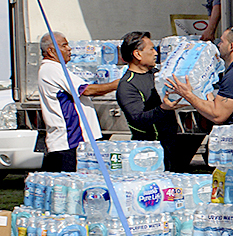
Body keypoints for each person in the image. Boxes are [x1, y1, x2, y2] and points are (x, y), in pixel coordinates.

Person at [116, 31, 201, 172]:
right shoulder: (127, 85)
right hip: (149, 152)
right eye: (151, 49)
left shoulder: (157, 75)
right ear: (137, 54)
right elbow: (137, 119)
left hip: (171, 146)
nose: (156, 53)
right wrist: (163, 108)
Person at [38, 31, 119, 172]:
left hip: (76, 142)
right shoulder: (51, 68)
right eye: (64, 45)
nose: (69, 49)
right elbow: (86, 90)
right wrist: (118, 84)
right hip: (68, 142)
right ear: (51, 51)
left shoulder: (58, 68)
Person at [166, 24, 233, 124]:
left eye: (222, 42)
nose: (218, 45)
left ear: (231, 46)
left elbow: (218, 116)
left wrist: (187, 94)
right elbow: (215, 107)